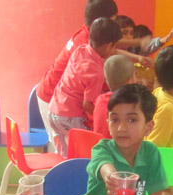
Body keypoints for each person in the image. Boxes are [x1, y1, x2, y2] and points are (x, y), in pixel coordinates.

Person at [36, 0, 118, 152]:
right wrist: (101, 114)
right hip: (60, 108)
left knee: (65, 152)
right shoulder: (95, 70)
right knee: (81, 150)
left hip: (55, 106)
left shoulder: (84, 45)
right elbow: (88, 104)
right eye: (113, 21)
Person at [76, 84, 168, 195]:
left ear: (148, 127)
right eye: (115, 120)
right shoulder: (102, 148)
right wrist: (112, 177)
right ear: (108, 123)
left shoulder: (150, 152)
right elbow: (105, 166)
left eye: (131, 120)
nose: (121, 128)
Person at [49, 17, 122, 157]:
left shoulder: (80, 50)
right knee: (87, 151)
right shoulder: (97, 73)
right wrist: (102, 115)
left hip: (54, 110)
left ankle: (64, 169)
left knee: (65, 155)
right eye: (115, 47)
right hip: (69, 117)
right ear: (109, 46)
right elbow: (87, 104)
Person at [93, 54, 136, 139]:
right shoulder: (131, 105)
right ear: (130, 81)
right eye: (135, 75)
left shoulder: (100, 100)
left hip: (98, 146)